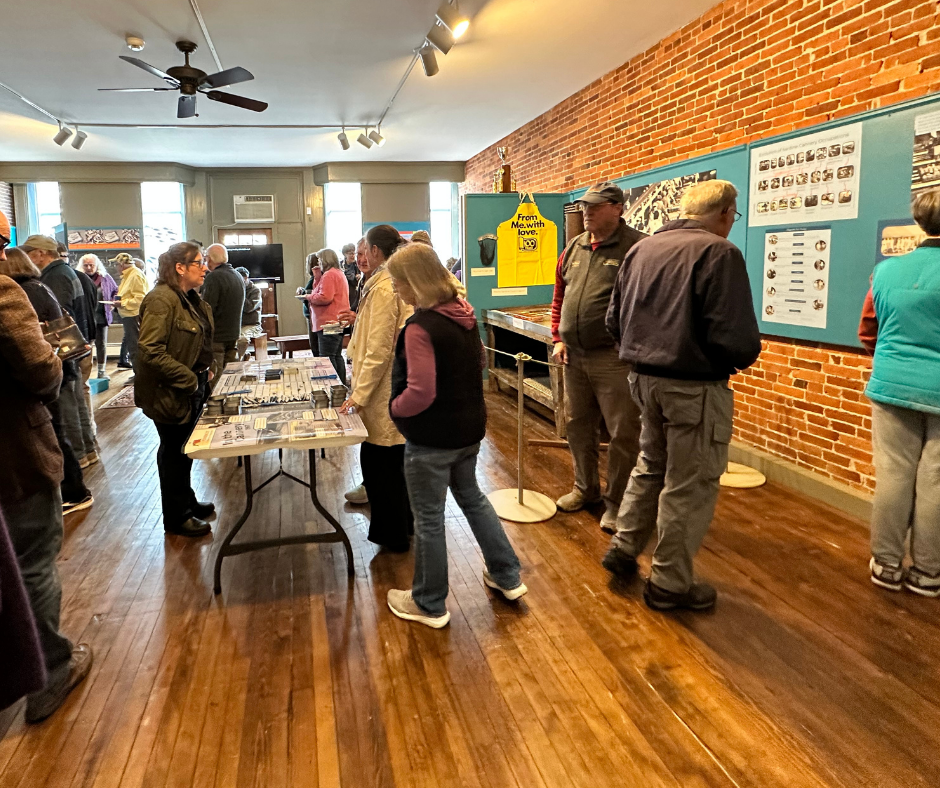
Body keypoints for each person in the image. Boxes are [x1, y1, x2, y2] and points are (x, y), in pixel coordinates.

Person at [601, 179, 761, 612]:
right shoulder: (719, 252)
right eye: (733, 215)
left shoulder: (642, 249)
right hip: (693, 385)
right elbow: (735, 336)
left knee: (651, 464)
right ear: (725, 212)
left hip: (643, 379)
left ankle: (624, 546)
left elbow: (613, 320)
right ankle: (669, 584)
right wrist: (731, 359)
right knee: (690, 483)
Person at [385, 243, 526, 628]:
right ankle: (507, 575)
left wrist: (394, 408)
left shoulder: (420, 327)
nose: (396, 288)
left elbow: (420, 393)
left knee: (429, 518)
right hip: (468, 430)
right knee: (473, 498)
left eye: (399, 282)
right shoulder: (463, 314)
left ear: (415, 281)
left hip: (431, 439)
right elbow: (480, 362)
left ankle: (428, 602)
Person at [0, 217, 94, 723]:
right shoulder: (5, 293)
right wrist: (55, 358)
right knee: (33, 562)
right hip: (14, 455)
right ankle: (49, 673)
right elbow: (42, 370)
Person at [550, 182, 646, 532]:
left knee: (623, 433)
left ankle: (617, 503)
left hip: (615, 358)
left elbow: (648, 304)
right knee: (578, 425)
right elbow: (559, 296)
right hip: (574, 356)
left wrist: (632, 347)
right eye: (584, 206)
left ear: (617, 207)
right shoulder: (574, 248)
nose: (586, 211)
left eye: (595, 205)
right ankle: (585, 489)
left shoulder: (637, 248)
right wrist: (558, 337)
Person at [861, 189, 940, 597]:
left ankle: (886, 565)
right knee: (935, 482)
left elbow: (868, 330)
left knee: (893, 474)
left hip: (891, 384)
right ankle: (927, 573)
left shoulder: (886, 271)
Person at [0, 249, 93, 515]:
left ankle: (74, 489)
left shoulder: (21, 291)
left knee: (57, 429)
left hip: (51, 372)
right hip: (62, 364)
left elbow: (34, 358)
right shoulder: (40, 285)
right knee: (67, 420)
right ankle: (82, 467)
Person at [340, 225, 414, 549]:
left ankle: (393, 534)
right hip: (383, 385)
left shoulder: (385, 287)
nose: (361, 256)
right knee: (390, 461)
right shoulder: (382, 282)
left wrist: (359, 395)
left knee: (382, 462)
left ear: (374, 251)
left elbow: (380, 349)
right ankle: (401, 527)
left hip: (383, 389)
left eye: (365, 250)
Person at [135, 242, 216, 538]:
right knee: (173, 452)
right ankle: (177, 516)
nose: (205, 268)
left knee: (184, 450)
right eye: (198, 262)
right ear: (180, 268)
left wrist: (206, 369)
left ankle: (186, 501)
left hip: (190, 387)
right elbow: (150, 350)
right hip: (170, 391)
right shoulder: (161, 299)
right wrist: (189, 378)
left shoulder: (189, 298)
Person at [23, 235, 98, 468]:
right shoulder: (66, 272)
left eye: (29, 252)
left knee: (68, 404)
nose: (27, 257)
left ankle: (78, 455)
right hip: (74, 348)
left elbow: (58, 318)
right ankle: (88, 450)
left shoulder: (54, 276)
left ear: (41, 253)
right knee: (76, 400)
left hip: (64, 351)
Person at [62, 244, 99, 458]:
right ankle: (90, 431)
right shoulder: (83, 279)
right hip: (85, 340)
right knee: (83, 388)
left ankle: (84, 440)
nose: (89, 267)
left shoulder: (63, 279)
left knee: (76, 390)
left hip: (74, 346)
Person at [303, 248, 350, 384]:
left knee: (327, 358)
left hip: (328, 322)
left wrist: (308, 297)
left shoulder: (330, 275)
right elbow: (319, 291)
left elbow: (325, 297)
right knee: (336, 356)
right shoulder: (338, 273)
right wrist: (317, 277)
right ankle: (341, 386)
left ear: (325, 260)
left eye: (319, 260)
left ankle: (332, 386)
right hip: (337, 320)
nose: (318, 263)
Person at [201, 244, 244, 386]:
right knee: (231, 376)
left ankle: (217, 400)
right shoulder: (237, 275)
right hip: (233, 333)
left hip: (217, 336)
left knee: (216, 378)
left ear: (210, 259)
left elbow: (207, 308)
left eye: (205, 258)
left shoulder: (214, 277)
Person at [80, 254, 118, 379]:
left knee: (101, 344)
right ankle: (84, 372)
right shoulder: (78, 277)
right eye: (86, 265)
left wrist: (112, 302)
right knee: (85, 344)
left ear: (97, 265)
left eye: (91, 265)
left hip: (101, 315)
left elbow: (116, 290)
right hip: (85, 316)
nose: (89, 268)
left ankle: (101, 371)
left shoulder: (105, 277)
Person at [114, 252, 148, 384]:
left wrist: (122, 303)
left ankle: (140, 376)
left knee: (135, 347)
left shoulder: (135, 275)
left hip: (133, 315)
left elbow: (140, 299)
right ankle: (138, 374)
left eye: (117, 265)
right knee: (132, 346)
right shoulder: (129, 275)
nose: (116, 267)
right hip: (128, 315)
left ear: (122, 265)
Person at [234, 267, 263, 360]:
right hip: (235, 325)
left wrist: (240, 292)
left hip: (251, 325)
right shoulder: (233, 290)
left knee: (242, 339)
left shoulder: (255, 290)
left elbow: (249, 308)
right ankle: (242, 356)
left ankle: (237, 362)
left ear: (246, 278)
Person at [297, 253, 321, 356]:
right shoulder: (314, 278)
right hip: (312, 315)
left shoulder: (318, 277)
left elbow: (316, 293)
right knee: (315, 346)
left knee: (316, 347)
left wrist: (304, 293)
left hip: (315, 315)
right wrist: (303, 290)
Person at [341, 243, 361, 313]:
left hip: (353, 292)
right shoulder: (340, 265)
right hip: (343, 292)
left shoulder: (357, 265)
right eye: (350, 254)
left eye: (354, 253)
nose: (353, 256)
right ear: (345, 254)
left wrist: (359, 277)